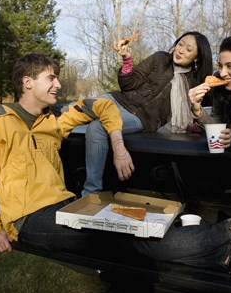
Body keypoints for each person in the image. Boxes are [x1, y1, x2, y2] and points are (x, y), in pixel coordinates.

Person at [0, 53, 231, 282]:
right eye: (50, 78)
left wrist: (118, 144)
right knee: (125, 237)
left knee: (138, 225)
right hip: (27, 219)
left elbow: (103, 105)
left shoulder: (52, 121)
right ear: (27, 82)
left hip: (64, 206)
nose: (57, 83)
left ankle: (226, 256)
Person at [82, 31, 213, 196]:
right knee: (74, 109)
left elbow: (202, 111)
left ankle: (90, 193)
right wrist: (127, 59)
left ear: (197, 57)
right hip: (119, 100)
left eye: (188, 49)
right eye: (180, 44)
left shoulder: (196, 81)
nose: (180, 50)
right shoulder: (160, 58)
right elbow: (129, 84)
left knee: (97, 127)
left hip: (140, 118)